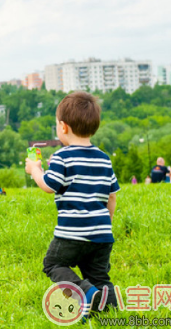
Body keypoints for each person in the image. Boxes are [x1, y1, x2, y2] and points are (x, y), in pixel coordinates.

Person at [25, 92, 120, 317]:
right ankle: (110, 308)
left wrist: (36, 170)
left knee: (53, 264)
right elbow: (112, 196)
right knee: (99, 276)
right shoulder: (104, 158)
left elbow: (50, 185)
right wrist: (107, 223)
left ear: (63, 127)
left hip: (72, 233)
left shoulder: (62, 157)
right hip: (102, 234)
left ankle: (86, 294)